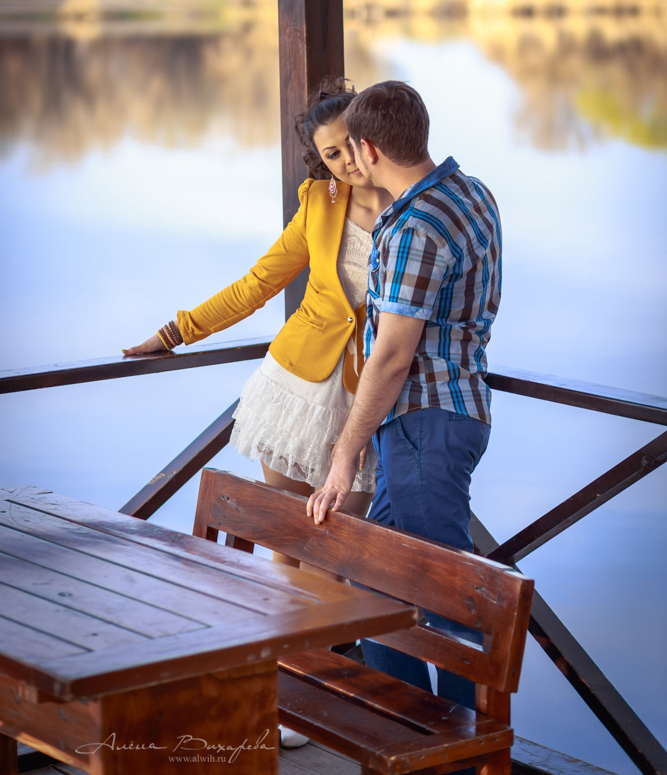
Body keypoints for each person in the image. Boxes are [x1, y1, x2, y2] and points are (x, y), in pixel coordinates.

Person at [123, 76, 393, 545]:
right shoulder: (318, 204)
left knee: (334, 551)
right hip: (292, 391)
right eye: (332, 154)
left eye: (350, 144)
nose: (348, 161)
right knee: (286, 546)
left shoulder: (413, 204)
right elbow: (257, 284)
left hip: (367, 403)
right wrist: (173, 333)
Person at [307, 80, 502, 710]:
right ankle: (407, 722)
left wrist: (343, 455)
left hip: (426, 422)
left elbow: (391, 357)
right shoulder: (469, 191)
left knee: (450, 599)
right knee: (373, 582)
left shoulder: (413, 226)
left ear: (367, 149)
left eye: (349, 152)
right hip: (444, 414)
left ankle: (467, 749)